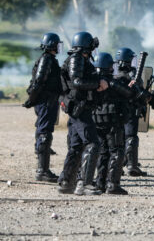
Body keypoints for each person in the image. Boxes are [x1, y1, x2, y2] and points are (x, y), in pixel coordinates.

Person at [58, 32, 108, 195]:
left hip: (80, 107)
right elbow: (77, 82)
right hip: (80, 108)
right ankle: (84, 184)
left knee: (76, 146)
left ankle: (67, 182)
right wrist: (97, 84)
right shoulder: (77, 58)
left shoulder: (81, 59)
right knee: (93, 143)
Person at [93, 52, 142, 195]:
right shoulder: (112, 82)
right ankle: (112, 184)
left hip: (97, 121)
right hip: (113, 122)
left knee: (103, 152)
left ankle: (100, 183)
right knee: (116, 151)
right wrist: (133, 86)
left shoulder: (94, 82)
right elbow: (130, 94)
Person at [23, 33, 63, 183]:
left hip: (48, 101)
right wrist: (31, 99)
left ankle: (43, 169)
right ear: (53, 45)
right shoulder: (46, 59)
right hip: (46, 101)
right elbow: (39, 81)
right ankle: (42, 171)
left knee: (44, 131)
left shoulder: (49, 59)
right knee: (44, 133)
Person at [114, 48, 147, 176]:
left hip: (116, 110)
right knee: (131, 137)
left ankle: (118, 166)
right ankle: (132, 166)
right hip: (130, 108)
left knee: (118, 138)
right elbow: (138, 91)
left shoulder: (113, 71)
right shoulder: (132, 74)